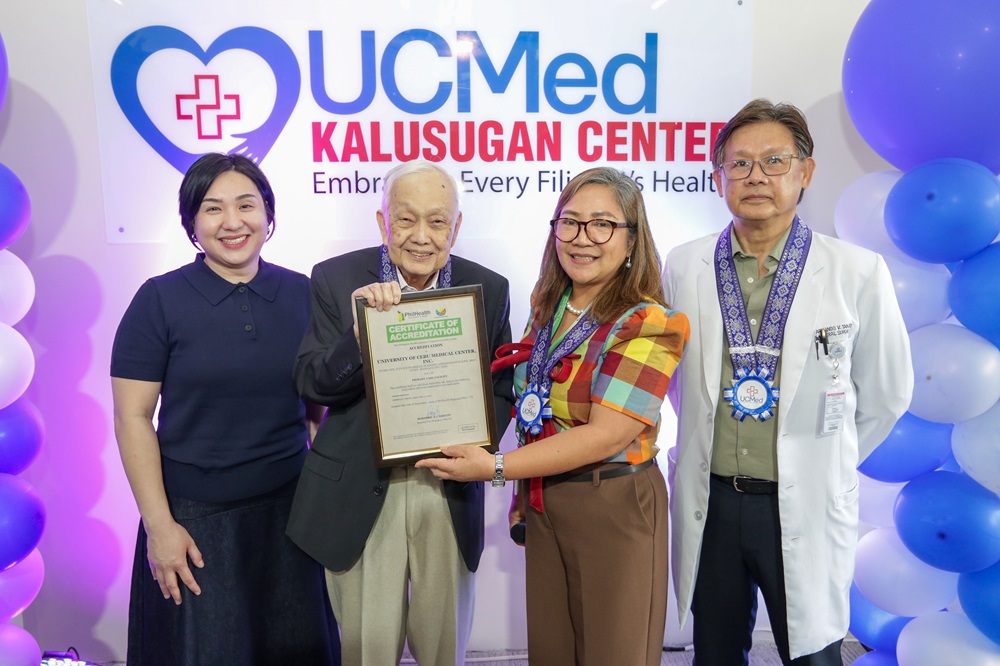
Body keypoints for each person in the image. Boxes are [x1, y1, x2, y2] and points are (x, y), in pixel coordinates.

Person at [663, 99, 914, 665]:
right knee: (715, 651)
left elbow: (887, 394)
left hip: (802, 502)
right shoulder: (683, 265)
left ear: (806, 172)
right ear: (718, 176)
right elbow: (677, 384)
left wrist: (824, 458)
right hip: (713, 500)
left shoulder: (855, 270)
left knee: (814, 655)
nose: (756, 176)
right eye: (740, 163)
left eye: (774, 161)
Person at [418, 166, 689, 666]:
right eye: (570, 222)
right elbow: (535, 410)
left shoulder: (649, 322)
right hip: (546, 502)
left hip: (613, 501)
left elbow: (605, 435)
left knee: (615, 654)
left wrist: (496, 467)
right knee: (551, 651)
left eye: (602, 224)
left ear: (632, 240)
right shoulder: (549, 306)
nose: (582, 238)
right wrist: (523, 492)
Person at [110, 153, 340, 665]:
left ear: (268, 214)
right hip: (195, 522)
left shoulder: (302, 292)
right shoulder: (159, 300)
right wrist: (160, 527)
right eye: (213, 209)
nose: (233, 222)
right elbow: (132, 418)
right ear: (192, 223)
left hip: (290, 516)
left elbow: (316, 403)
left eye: (246, 205)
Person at [286, 160, 514, 666]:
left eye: (437, 221)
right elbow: (313, 382)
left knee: (443, 646)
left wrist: (474, 444)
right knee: (367, 647)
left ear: (456, 226)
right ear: (382, 221)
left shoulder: (488, 287)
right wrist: (360, 331)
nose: (421, 236)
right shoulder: (336, 278)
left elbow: (501, 387)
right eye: (406, 219)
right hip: (362, 486)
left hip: (447, 486)